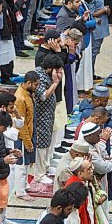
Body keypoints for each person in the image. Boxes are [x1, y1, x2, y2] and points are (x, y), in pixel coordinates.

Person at [33, 54, 64, 184]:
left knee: (47, 145)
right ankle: (39, 174)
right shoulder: (40, 77)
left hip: (47, 116)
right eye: (57, 70)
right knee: (41, 146)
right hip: (41, 118)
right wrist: (56, 83)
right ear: (50, 68)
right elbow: (43, 96)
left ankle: (44, 169)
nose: (59, 72)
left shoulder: (47, 75)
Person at [14, 71, 39, 200]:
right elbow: (21, 124)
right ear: (28, 83)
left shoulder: (28, 94)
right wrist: (28, 141)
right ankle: (20, 191)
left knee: (27, 163)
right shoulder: (20, 98)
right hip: (22, 136)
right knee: (21, 164)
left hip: (30, 132)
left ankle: (23, 184)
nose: (37, 87)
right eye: (36, 84)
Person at [87, 0, 111, 77]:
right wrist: (104, 10)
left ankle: (92, 73)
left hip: (101, 28)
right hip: (96, 29)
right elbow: (91, 13)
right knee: (93, 52)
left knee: (95, 52)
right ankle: (89, 74)